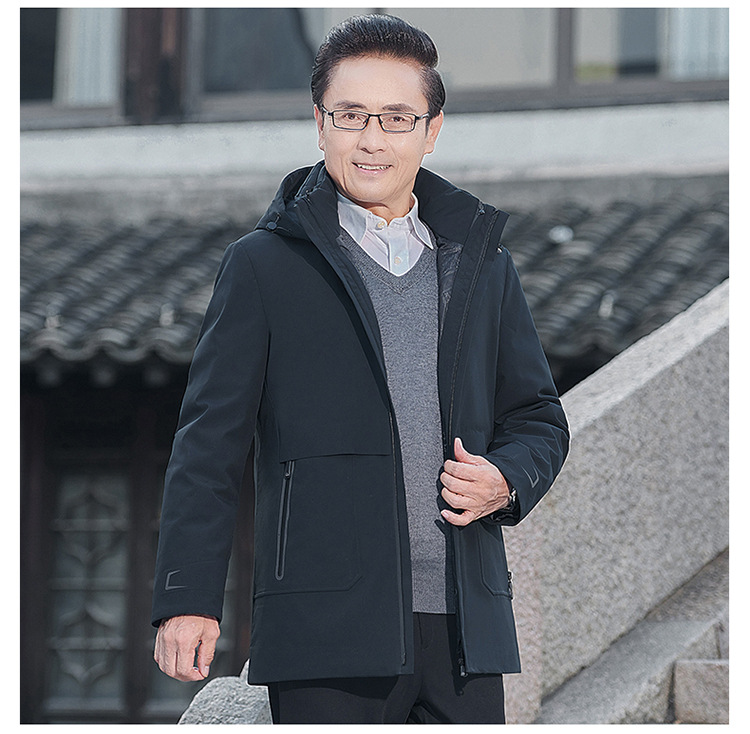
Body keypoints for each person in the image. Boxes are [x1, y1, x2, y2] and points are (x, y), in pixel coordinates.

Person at [152, 13, 569, 724]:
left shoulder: (482, 264)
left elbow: (538, 418)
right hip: (325, 629)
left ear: (432, 131)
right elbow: (208, 445)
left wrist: (507, 478)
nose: (372, 139)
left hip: (465, 627)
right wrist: (187, 597)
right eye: (351, 115)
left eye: (398, 118)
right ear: (320, 124)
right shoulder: (263, 266)